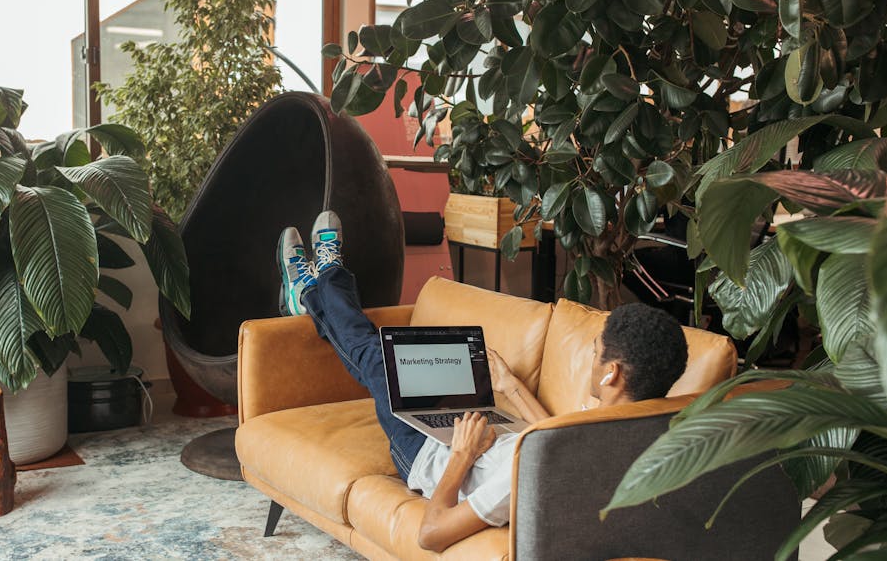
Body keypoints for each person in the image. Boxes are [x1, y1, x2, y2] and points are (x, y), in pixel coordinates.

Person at [278, 211, 689, 552]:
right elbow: (550, 435)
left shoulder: (535, 473)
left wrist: (462, 453)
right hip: (483, 429)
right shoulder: (624, 429)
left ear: (613, 373)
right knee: (382, 360)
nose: (590, 360)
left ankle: (319, 284)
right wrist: (509, 386)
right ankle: (314, 288)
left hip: (428, 454)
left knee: (375, 358)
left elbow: (432, 534)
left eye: (596, 352)